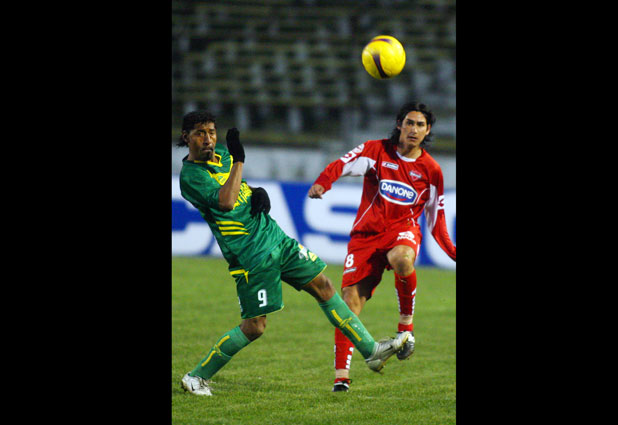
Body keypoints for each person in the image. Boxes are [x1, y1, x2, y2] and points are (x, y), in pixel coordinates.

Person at [176, 110, 411, 396]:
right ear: (186, 137)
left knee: (324, 286)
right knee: (255, 327)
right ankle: (196, 376)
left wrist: (255, 191)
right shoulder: (191, 176)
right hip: (251, 254)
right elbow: (225, 201)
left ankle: (371, 350)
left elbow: (237, 188)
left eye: (211, 132)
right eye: (200, 133)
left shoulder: (223, 155)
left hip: (275, 238)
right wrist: (239, 160)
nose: (208, 139)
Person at [308, 102, 456, 392]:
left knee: (402, 259)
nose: (414, 129)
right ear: (399, 124)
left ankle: (406, 329)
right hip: (366, 237)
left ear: (427, 131)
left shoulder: (431, 171)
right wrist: (324, 183)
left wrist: (452, 251)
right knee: (349, 304)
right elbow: (342, 164)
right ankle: (341, 378)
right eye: (409, 123)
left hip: (402, 231)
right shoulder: (376, 151)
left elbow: (436, 219)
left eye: (420, 125)